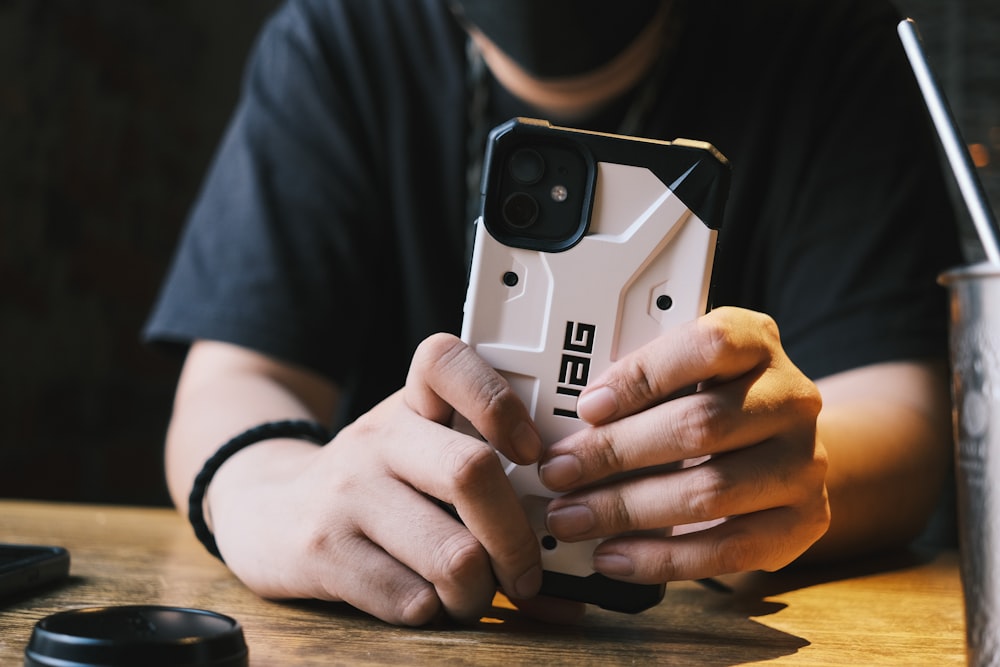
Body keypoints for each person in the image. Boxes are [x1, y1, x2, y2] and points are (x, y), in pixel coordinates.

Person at [145, 0, 963, 626]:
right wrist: (267, 496)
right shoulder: (340, 37)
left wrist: (759, 474)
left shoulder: (830, 41)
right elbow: (238, 374)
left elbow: (907, 410)